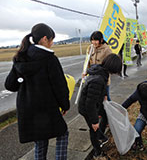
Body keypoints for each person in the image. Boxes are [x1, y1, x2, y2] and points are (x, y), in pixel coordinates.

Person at [4, 23, 70, 160]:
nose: (52, 43)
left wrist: (22, 79)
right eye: (51, 40)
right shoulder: (50, 59)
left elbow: (10, 85)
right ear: (45, 39)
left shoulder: (20, 57)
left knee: (40, 141)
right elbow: (60, 86)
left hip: (28, 110)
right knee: (62, 133)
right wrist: (65, 105)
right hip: (46, 109)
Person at [78, 54, 122, 159]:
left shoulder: (101, 72)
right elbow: (90, 103)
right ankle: (97, 152)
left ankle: (100, 135)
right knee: (93, 128)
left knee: (105, 114)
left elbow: (97, 92)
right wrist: (94, 121)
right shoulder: (98, 79)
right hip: (86, 108)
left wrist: (104, 95)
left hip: (94, 103)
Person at [83, 31, 112, 101]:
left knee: (105, 98)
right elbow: (87, 61)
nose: (93, 42)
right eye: (92, 40)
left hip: (103, 78)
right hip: (92, 77)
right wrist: (85, 72)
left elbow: (109, 64)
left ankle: (111, 110)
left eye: (96, 40)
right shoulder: (90, 48)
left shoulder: (106, 49)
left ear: (101, 40)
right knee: (95, 97)